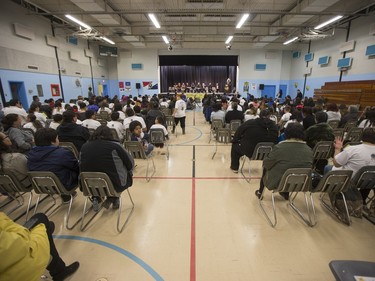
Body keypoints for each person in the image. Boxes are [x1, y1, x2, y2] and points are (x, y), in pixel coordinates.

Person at [0, 212, 79, 281]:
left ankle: (47, 230)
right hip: (22, 266)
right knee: (41, 218)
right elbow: (20, 242)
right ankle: (60, 272)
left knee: (43, 224)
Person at [80, 125, 134, 211]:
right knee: (121, 173)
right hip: (114, 184)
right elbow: (130, 164)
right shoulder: (115, 146)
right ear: (110, 135)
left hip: (89, 184)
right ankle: (114, 197)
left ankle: (96, 197)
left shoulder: (84, 147)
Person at [255, 122, 313, 200]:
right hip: (302, 183)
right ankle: (285, 193)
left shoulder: (280, 147)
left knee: (266, 167)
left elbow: (267, 163)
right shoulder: (309, 150)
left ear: (286, 133)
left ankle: (260, 192)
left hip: (279, 183)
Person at [27, 128, 79, 203]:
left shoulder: (31, 153)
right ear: (52, 142)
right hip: (64, 185)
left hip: (41, 186)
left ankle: (65, 196)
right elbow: (76, 167)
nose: (58, 140)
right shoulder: (62, 153)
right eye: (57, 138)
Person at [328, 128, 375, 204]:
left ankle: (333, 196)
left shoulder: (353, 149)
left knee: (327, 168)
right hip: (370, 183)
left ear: (362, 136)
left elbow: (336, 164)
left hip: (349, 180)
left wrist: (337, 149)